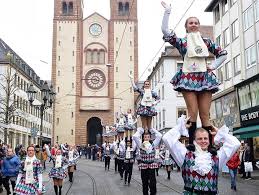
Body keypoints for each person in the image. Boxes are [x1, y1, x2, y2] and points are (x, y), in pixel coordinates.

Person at [161, 1, 227, 145]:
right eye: (190, 23)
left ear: (199, 25)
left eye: (196, 22)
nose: (194, 24)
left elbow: (223, 53)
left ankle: (208, 145)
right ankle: (191, 143)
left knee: (205, 115)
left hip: (204, 78)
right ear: (186, 27)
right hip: (188, 78)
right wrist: (167, 11)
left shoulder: (206, 42)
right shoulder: (182, 42)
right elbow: (165, 31)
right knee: (193, 113)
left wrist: (213, 65)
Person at [162, 116, 240, 194]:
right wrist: (181, 127)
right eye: (199, 139)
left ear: (209, 141)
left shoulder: (217, 157)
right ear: (194, 140)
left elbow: (235, 144)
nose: (203, 141)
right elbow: (166, 138)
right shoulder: (184, 154)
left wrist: (220, 133)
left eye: (205, 138)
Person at [133, 127, 162, 195]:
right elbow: (135, 136)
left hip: (151, 165)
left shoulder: (153, 145)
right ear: (143, 138)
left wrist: (152, 129)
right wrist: (141, 130)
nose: (147, 138)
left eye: (148, 137)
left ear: (150, 138)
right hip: (144, 166)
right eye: (145, 137)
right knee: (144, 183)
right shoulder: (140, 144)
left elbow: (159, 135)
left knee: (153, 183)